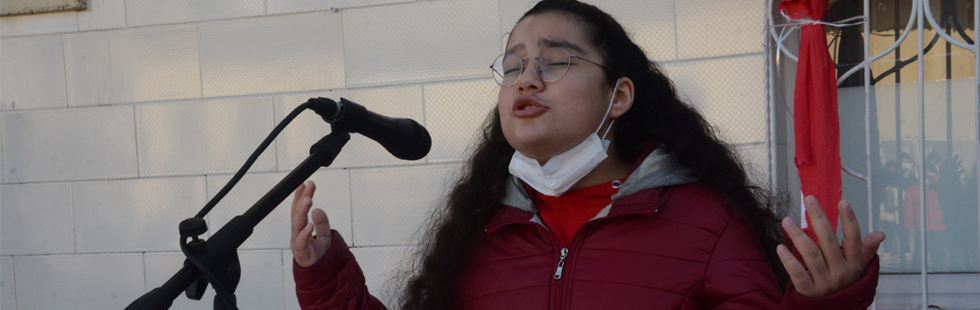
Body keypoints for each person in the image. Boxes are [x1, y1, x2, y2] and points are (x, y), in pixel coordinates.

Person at [290, 1, 886, 309]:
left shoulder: (705, 222)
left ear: (619, 95)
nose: (526, 80)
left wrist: (823, 307)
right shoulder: (480, 231)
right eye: (514, 64)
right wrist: (324, 282)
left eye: (555, 61)